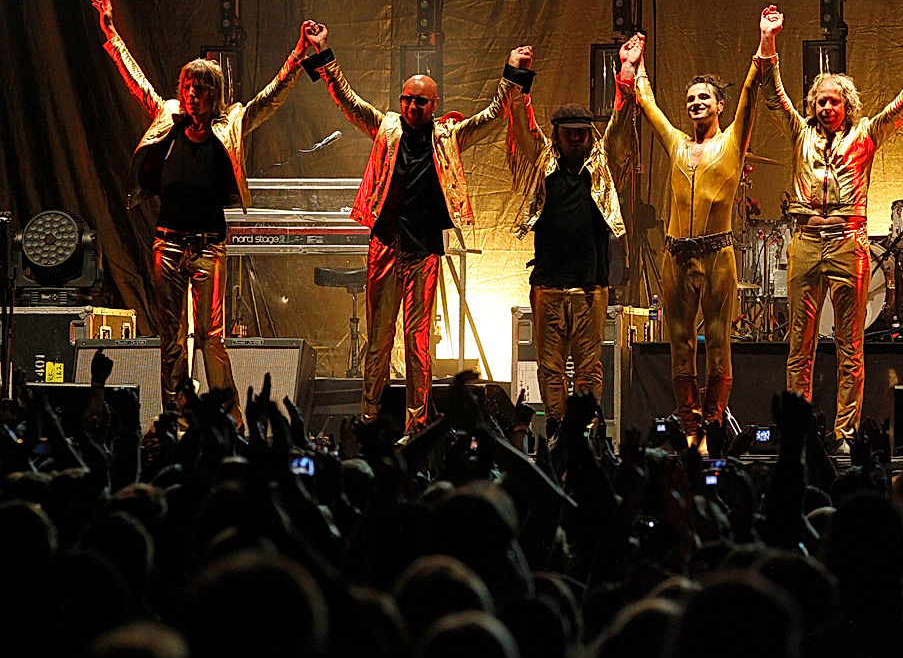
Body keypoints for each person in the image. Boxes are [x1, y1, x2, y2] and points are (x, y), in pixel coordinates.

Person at [91, 0, 312, 429]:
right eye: (187, 87)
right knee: (170, 340)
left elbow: (271, 96)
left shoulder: (229, 124)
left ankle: (228, 419)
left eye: (201, 88)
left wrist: (299, 54)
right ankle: (174, 419)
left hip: (209, 248)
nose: (192, 95)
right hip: (168, 245)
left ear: (215, 94)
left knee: (212, 337)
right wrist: (112, 33)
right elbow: (137, 81)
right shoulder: (167, 117)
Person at [301, 23, 528, 433]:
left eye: (420, 101)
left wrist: (513, 72)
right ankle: (370, 417)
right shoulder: (387, 128)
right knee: (379, 340)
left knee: (419, 344)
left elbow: (493, 114)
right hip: (386, 245)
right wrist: (324, 53)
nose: (411, 106)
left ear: (435, 104)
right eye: (406, 99)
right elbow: (350, 103)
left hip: (423, 251)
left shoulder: (448, 136)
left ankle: (416, 424)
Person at [756, 5, 903, 453]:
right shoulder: (800, 133)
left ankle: (845, 433)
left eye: (835, 101)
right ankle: (797, 431)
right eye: (821, 101)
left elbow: (902, 106)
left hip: (848, 242)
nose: (827, 107)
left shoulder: (866, 135)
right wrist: (769, 40)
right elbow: (772, 94)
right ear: (813, 105)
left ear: (847, 105)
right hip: (805, 242)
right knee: (799, 343)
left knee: (850, 346)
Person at [630, 25, 760, 452]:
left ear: (719, 105)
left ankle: (714, 425)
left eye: (704, 97)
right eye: (690, 99)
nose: (696, 103)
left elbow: (750, 94)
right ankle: (689, 426)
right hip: (676, 257)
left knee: (719, 341)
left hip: (717, 254)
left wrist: (765, 43)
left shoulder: (732, 142)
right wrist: (638, 65)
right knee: (680, 344)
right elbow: (647, 105)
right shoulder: (677, 144)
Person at [503, 38, 641, 436]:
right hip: (548, 284)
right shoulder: (542, 163)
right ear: (558, 135)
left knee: (589, 366)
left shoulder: (602, 167)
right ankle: (559, 430)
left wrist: (627, 74)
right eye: (570, 133)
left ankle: (585, 431)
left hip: (589, 286)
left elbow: (620, 126)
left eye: (583, 132)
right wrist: (519, 75)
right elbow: (519, 120)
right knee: (549, 366)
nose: (577, 138)